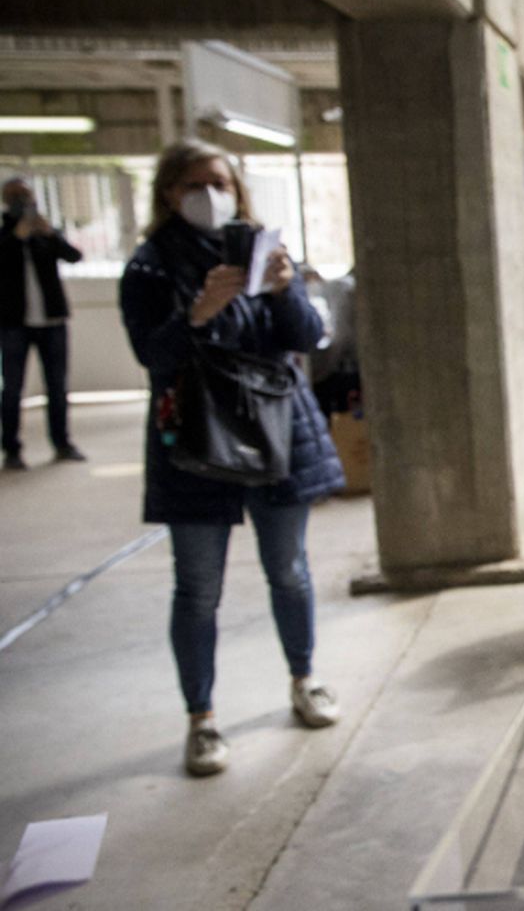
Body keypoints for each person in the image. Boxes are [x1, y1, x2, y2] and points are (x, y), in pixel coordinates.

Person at [120, 140, 345, 777]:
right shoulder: (150, 267)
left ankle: (304, 679)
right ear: (168, 192)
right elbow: (153, 354)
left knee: (290, 571)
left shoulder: (265, 251)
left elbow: (307, 338)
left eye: (219, 181)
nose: (209, 194)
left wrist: (282, 291)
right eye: (193, 183)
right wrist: (200, 312)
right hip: (196, 439)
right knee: (197, 587)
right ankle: (202, 718)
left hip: (276, 430)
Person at [1, 178, 86, 470]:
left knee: (57, 386)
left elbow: (74, 256)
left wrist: (50, 234)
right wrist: (16, 237)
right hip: (14, 323)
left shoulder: (45, 231)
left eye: (25, 195)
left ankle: (62, 443)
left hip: (52, 321)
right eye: (15, 196)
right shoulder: (5, 235)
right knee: (12, 388)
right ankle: (12, 449)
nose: (22, 201)